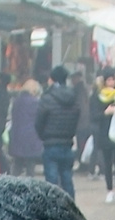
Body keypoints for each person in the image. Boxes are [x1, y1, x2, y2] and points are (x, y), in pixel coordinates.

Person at [35, 65, 80, 196]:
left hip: (50, 144)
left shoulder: (47, 97)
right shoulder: (73, 97)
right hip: (67, 143)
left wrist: (43, 136)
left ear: (52, 79)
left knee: (51, 182)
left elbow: (39, 122)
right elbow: (77, 115)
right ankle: (70, 208)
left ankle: (53, 209)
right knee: (67, 179)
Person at [91, 67, 115, 202]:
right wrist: (105, 113)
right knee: (107, 162)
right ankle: (109, 190)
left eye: (113, 79)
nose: (111, 82)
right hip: (104, 132)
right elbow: (93, 115)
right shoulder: (97, 95)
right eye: (108, 80)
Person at [7, 79, 44, 175]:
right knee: (30, 167)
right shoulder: (36, 103)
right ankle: (29, 187)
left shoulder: (16, 102)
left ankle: (11, 185)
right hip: (31, 137)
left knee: (17, 164)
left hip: (17, 136)